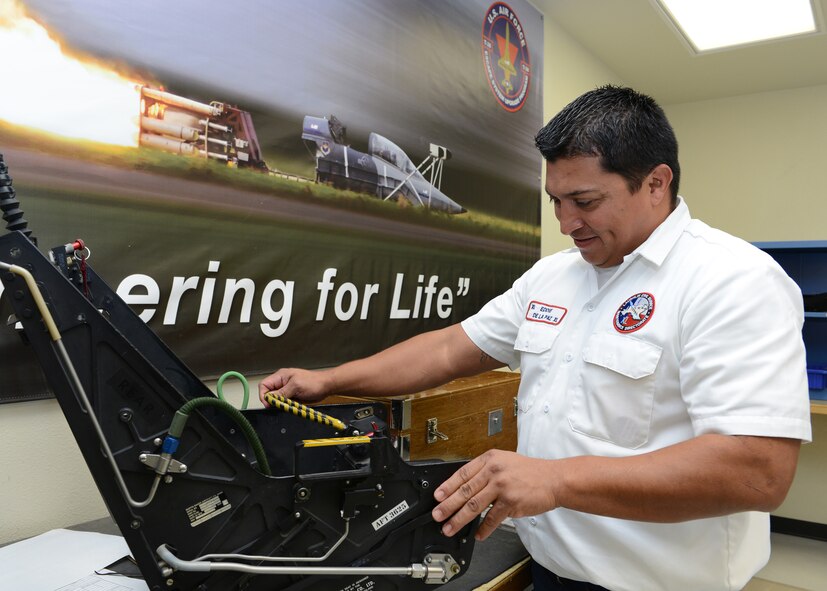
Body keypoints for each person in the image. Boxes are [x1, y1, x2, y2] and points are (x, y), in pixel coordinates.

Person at [259, 86, 812, 591]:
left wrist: (557, 480)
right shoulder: (553, 277)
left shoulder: (734, 280)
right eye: (556, 201)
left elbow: (756, 470)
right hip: (547, 568)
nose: (567, 222)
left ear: (656, 183)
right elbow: (452, 348)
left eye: (585, 201)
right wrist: (330, 380)